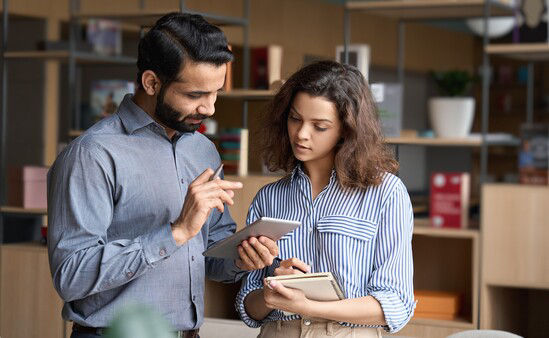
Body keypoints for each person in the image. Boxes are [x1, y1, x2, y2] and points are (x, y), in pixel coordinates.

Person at [47, 12, 278, 338]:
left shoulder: (204, 151)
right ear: (152, 82)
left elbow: (211, 257)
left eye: (215, 93)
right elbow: (72, 277)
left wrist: (243, 258)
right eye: (195, 96)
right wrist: (176, 232)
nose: (209, 109)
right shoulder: (92, 155)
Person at [235, 61, 415, 337]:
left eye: (319, 126)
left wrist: (308, 305)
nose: (301, 134)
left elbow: (394, 304)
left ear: (346, 129)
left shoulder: (386, 193)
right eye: (295, 118)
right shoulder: (268, 198)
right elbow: (249, 307)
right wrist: (271, 292)